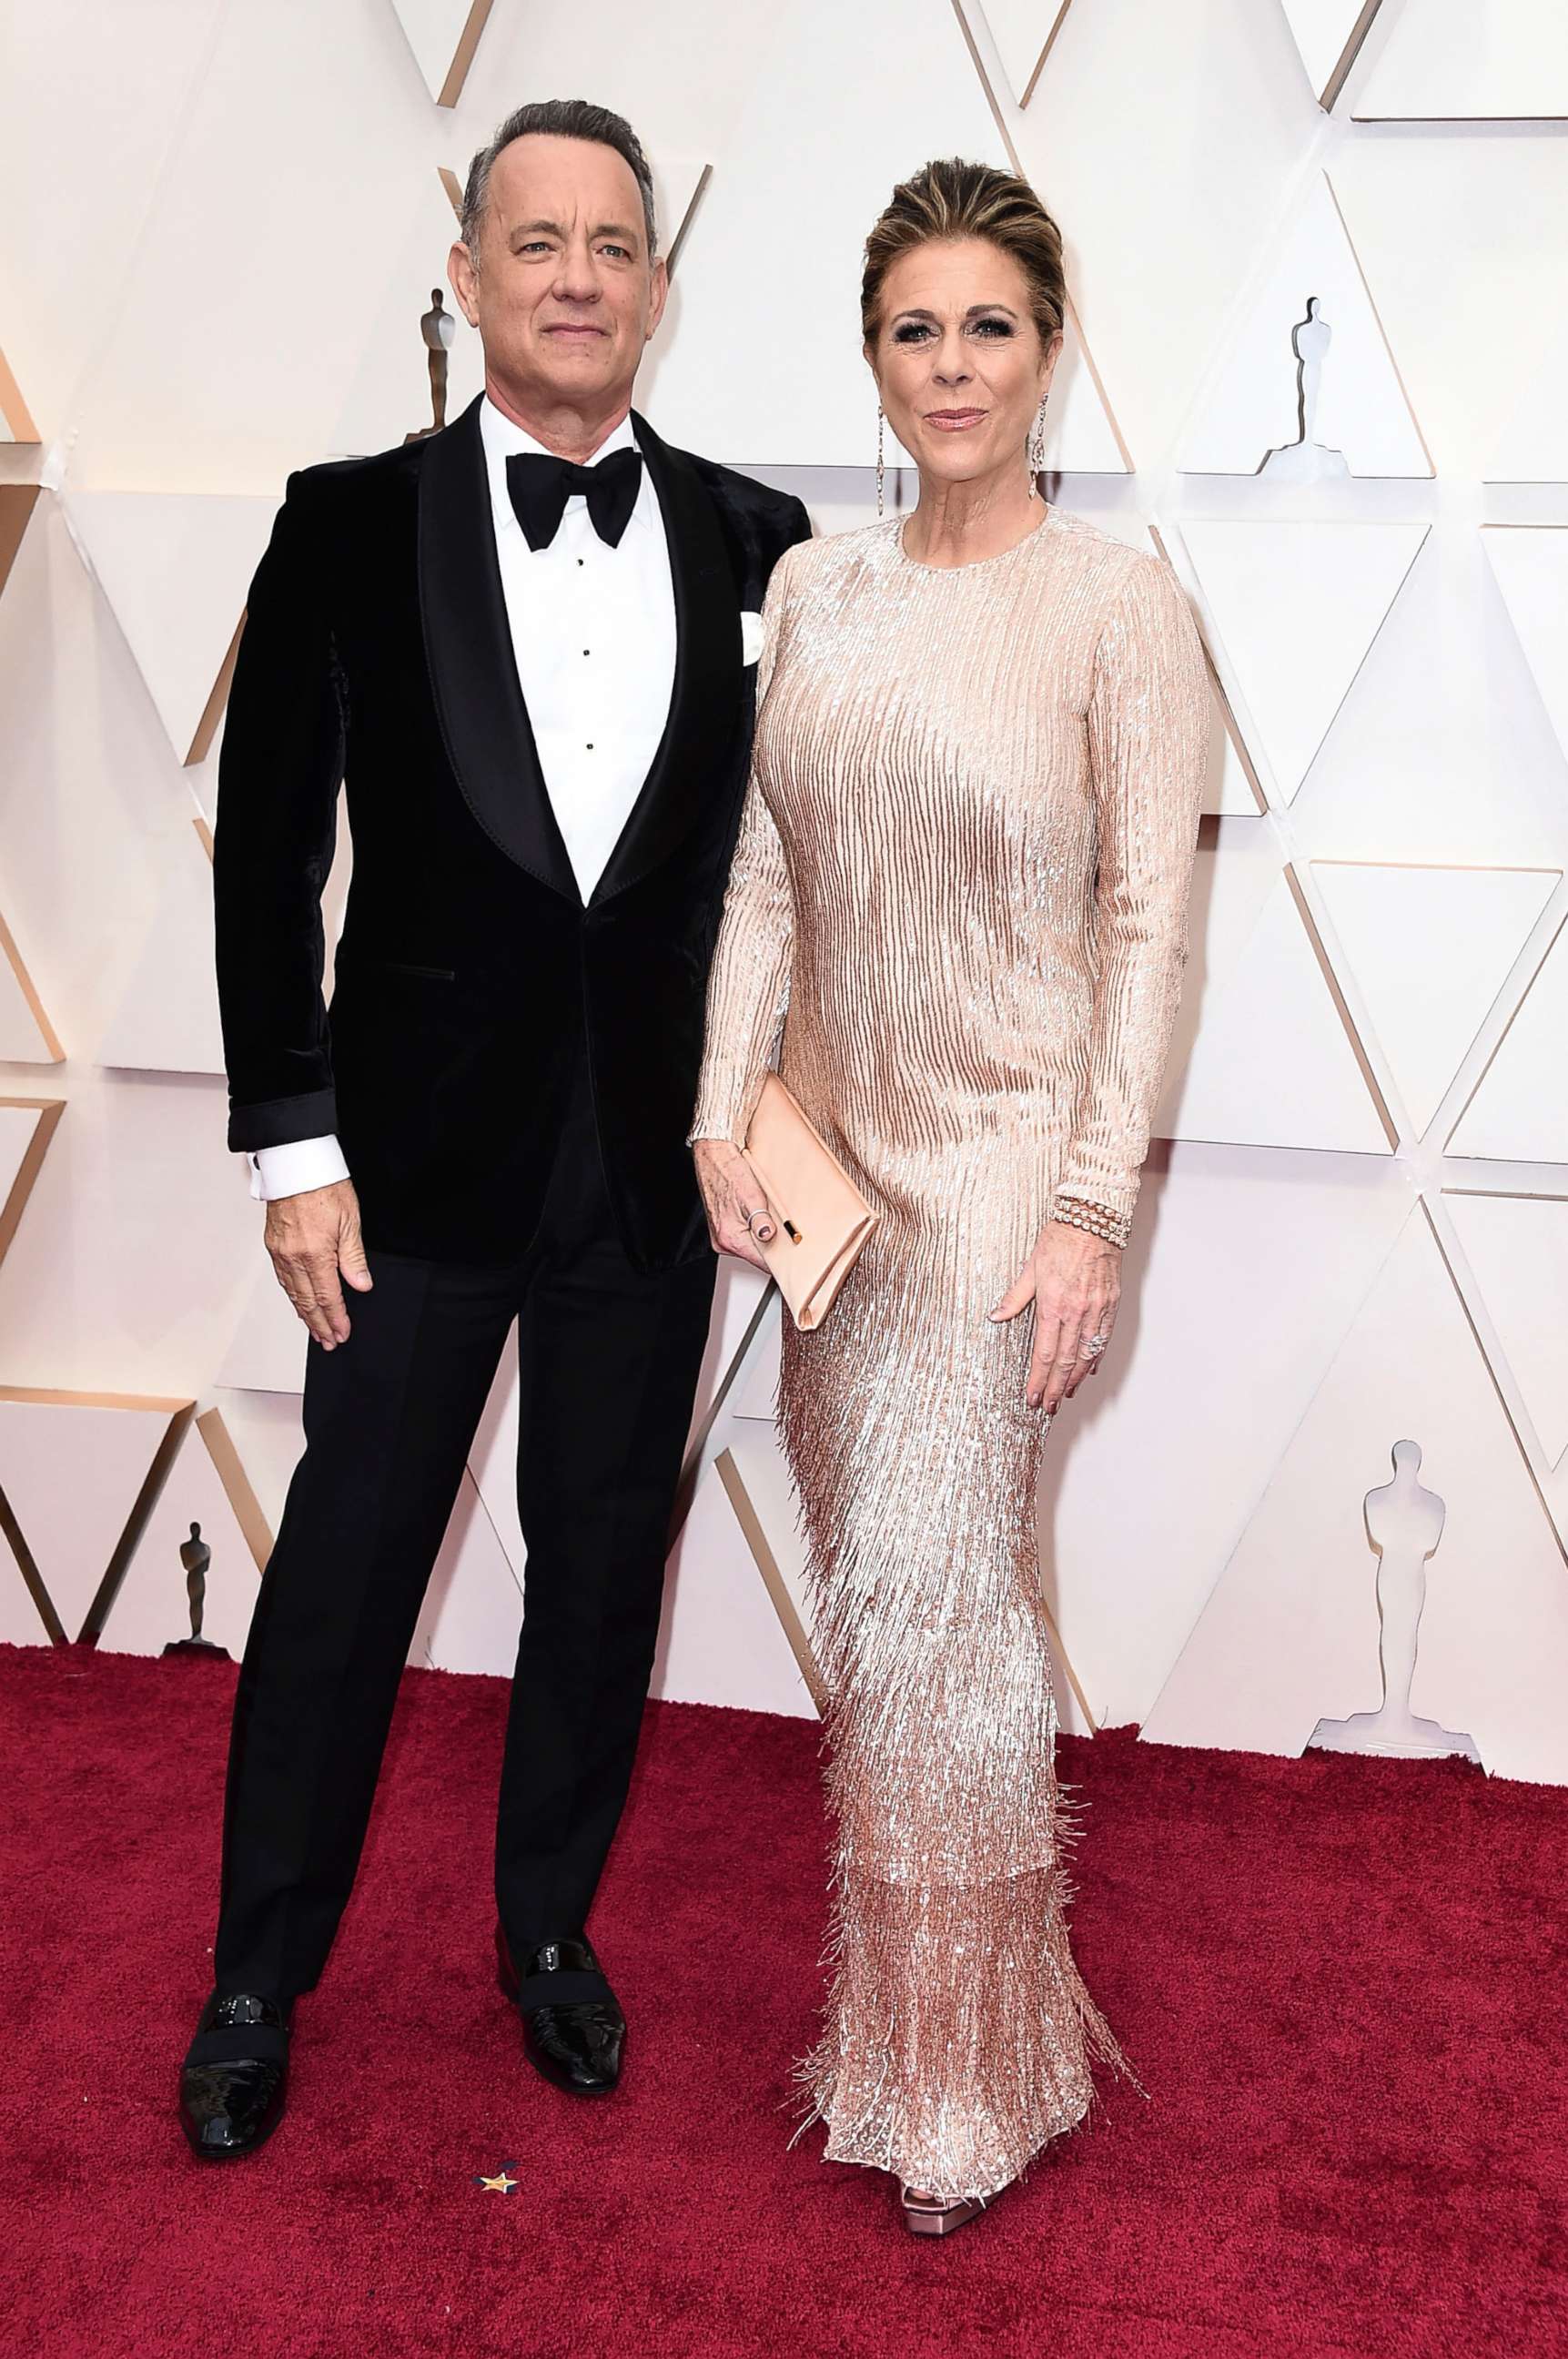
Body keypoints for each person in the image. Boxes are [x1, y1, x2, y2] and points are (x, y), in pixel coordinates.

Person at [179, 98, 809, 2162]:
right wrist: (292, 1147)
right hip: (405, 1175)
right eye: (532, 242)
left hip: (649, 1172)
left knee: (599, 1578)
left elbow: (793, 874)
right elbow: (267, 855)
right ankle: (257, 1971)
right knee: (341, 1584)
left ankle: (548, 1932)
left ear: (656, 284)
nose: (573, 277)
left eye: (610, 244)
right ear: (467, 280)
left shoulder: (755, 541)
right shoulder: (347, 519)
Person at [691, 157, 1208, 2236]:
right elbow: (762, 876)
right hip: (836, 1179)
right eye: (915, 328)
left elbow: (1148, 930)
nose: (951, 364)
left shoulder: (1117, 606)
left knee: (933, 1618)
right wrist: (722, 1113)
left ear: (1048, 345)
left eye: (988, 324)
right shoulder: (817, 587)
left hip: (1004, 1174)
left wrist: (1090, 1212)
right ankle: (974, 2028)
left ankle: (951, 2082)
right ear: (874, 357)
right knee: (914, 1624)